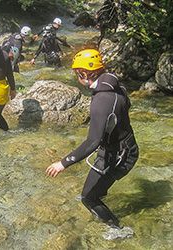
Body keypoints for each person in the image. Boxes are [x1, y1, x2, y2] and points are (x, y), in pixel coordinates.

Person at [46, 49, 139, 228]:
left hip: (120, 154)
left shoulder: (101, 99)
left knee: (88, 198)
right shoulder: (116, 85)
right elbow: (127, 105)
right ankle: (99, 193)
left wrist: (63, 163)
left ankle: (117, 229)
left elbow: (92, 142)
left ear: (85, 73)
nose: (76, 76)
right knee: (93, 191)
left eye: (77, 73)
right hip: (122, 147)